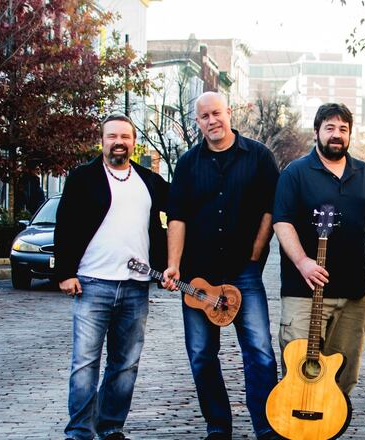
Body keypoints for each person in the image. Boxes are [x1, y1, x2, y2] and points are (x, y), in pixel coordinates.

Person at [161, 92, 280, 440]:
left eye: (216, 113)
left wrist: (256, 251)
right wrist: (173, 265)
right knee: (201, 353)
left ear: (228, 113)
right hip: (198, 274)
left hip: (244, 271)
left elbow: (271, 208)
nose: (212, 120)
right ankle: (218, 425)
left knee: (259, 351)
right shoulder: (187, 164)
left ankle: (266, 426)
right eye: (204, 116)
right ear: (197, 122)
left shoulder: (258, 156)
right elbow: (177, 217)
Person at [55, 112, 168, 440]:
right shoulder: (83, 178)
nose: (119, 142)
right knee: (85, 363)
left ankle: (110, 427)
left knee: (125, 363)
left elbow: (179, 213)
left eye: (125, 137)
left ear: (134, 142)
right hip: (92, 284)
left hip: (136, 287)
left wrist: (168, 266)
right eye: (112, 136)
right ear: (102, 141)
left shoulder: (148, 181)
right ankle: (79, 431)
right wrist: (65, 273)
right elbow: (65, 225)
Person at [272, 102, 365, 396]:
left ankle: (332, 422)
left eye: (343, 129)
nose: (337, 134)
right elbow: (282, 222)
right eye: (330, 128)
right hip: (304, 293)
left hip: (353, 296)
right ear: (316, 132)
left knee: (342, 380)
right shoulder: (295, 173)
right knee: (299, 376)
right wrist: (302, 261)